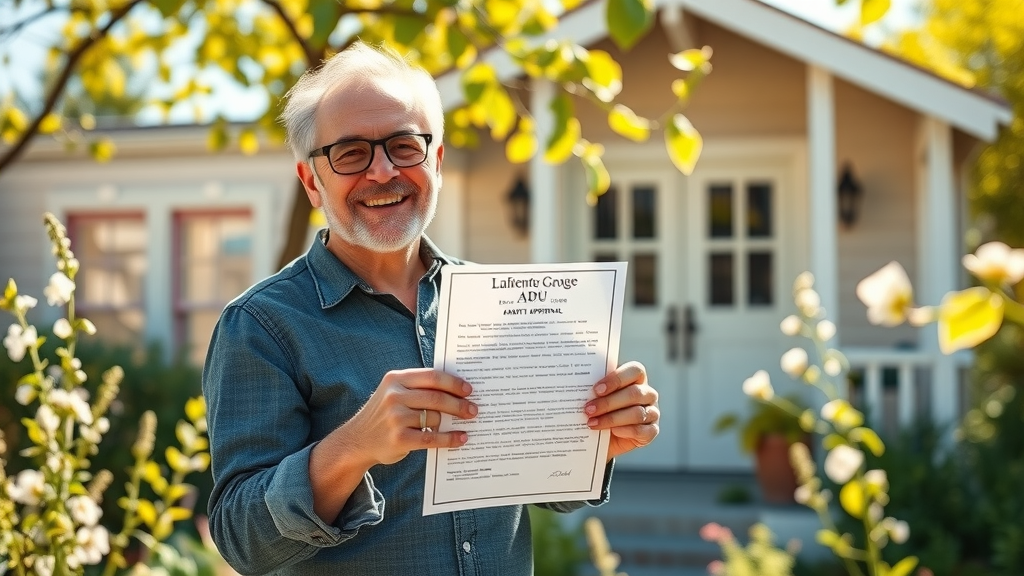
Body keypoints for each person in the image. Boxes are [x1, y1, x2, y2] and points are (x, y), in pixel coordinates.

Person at [202, 40, 660, 576]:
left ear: (436, 161)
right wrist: (355, 446)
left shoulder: (504, 308)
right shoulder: (261, 327)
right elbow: (240, 541)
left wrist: (598, 442)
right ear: (312, 181)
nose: (381, 172)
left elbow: (544, 491)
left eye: (404, 145)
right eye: (351, 153)